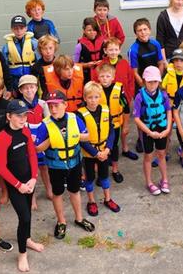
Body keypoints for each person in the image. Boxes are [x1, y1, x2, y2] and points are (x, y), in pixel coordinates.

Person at [36, 91, 95, 239]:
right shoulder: (45, 124)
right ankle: (61, 221)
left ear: (65, 105)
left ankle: (79, 218)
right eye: (50, 106)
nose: (53, 109)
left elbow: (87, 136)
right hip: (56, 166)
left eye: (56, 105)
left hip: (74, 163)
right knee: (57, 193)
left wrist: (75, 134)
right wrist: (52, 139)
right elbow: (37, 148)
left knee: (74, 190)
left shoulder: (75, 118)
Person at [0, 99, 44, 272]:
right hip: (15, 185)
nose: (23, 119)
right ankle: (22, 254)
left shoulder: (25, 131)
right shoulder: (2, 138)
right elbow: (1, 167)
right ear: (9, 116)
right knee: (23, 217)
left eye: (25, 115)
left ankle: (27, 239)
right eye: (18, 116)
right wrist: (18, 185)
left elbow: (32, 155)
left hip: (29, 182)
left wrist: (33, 178)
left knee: (28, 214)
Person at [78, 82, 120, 216]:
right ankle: (91, 201)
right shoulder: (80, 114)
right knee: (89, 178)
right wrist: (96, 153)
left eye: (96, 97)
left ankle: (107, 199)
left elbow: (111, 131)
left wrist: (108, 149)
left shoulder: (106, 110)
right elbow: (81, 139)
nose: (93, 100)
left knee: (104, 176)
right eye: (90, 97)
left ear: (100, 97)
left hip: (104, 151)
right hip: (90, 153)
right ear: (85, 98)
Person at [133, 66, 172, 196]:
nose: (152, 84)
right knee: (148, 156)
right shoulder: (140, 97)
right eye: (149, 82)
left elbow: (168, 110)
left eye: (155, 81)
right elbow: (137, 119)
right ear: (144, 81)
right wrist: (149, 133)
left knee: (161, 154)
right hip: (147, 130)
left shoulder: (163, 94)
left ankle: (164, 179)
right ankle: (149, 182)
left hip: (161, 128)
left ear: (159, 82)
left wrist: (167, 129)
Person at [15, 75, 51, 209]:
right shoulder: (19, 106)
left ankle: (49, 190)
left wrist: (45, 140)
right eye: (25, 88)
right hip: (26, 141)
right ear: (21, 90)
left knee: (44, 167)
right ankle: (32, 198)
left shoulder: (43, 104)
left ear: (36, 88)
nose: (29, 90)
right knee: (30, 171)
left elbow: (49, 122)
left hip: (41, 141)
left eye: (32, 87)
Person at [95, 63, 128, 183]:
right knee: (100, 148)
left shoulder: (119, 89)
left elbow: (126, 107)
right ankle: (101, 173)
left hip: (115, 124)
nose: (105, 79)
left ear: (113, 77)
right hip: (100, 125)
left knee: (114, 147)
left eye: (108, 76)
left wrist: (126, 125)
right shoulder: (96, 90)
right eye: (102, 76)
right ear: (98, 77)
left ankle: (115, 169)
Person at [129, 18, 167, 89]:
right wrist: (144, 86)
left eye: (145, 29)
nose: (143, 32)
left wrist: (158, 80)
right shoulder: (133, 50)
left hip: (156, 81)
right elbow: (134, 72)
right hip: (143, 84)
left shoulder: (156, 44)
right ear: (136, 33)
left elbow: (161, 63)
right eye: (139, 30)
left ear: (149, 30)